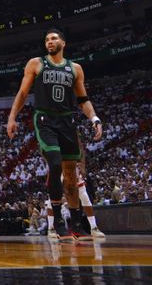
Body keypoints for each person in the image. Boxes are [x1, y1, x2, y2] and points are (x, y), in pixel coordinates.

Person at [7, 28, 103, 243]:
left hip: (68, 120)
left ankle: (77, 223)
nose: (49, 42)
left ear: (63, 43)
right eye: (47, 39)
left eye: (53, 38)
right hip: (45, 119)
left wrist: (94, 118)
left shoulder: (75, 68)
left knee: (70, 173)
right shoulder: (36, 63)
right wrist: (12, 117)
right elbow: (23, 93)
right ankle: (58, 220)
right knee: (55, 163)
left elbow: (83, 99)